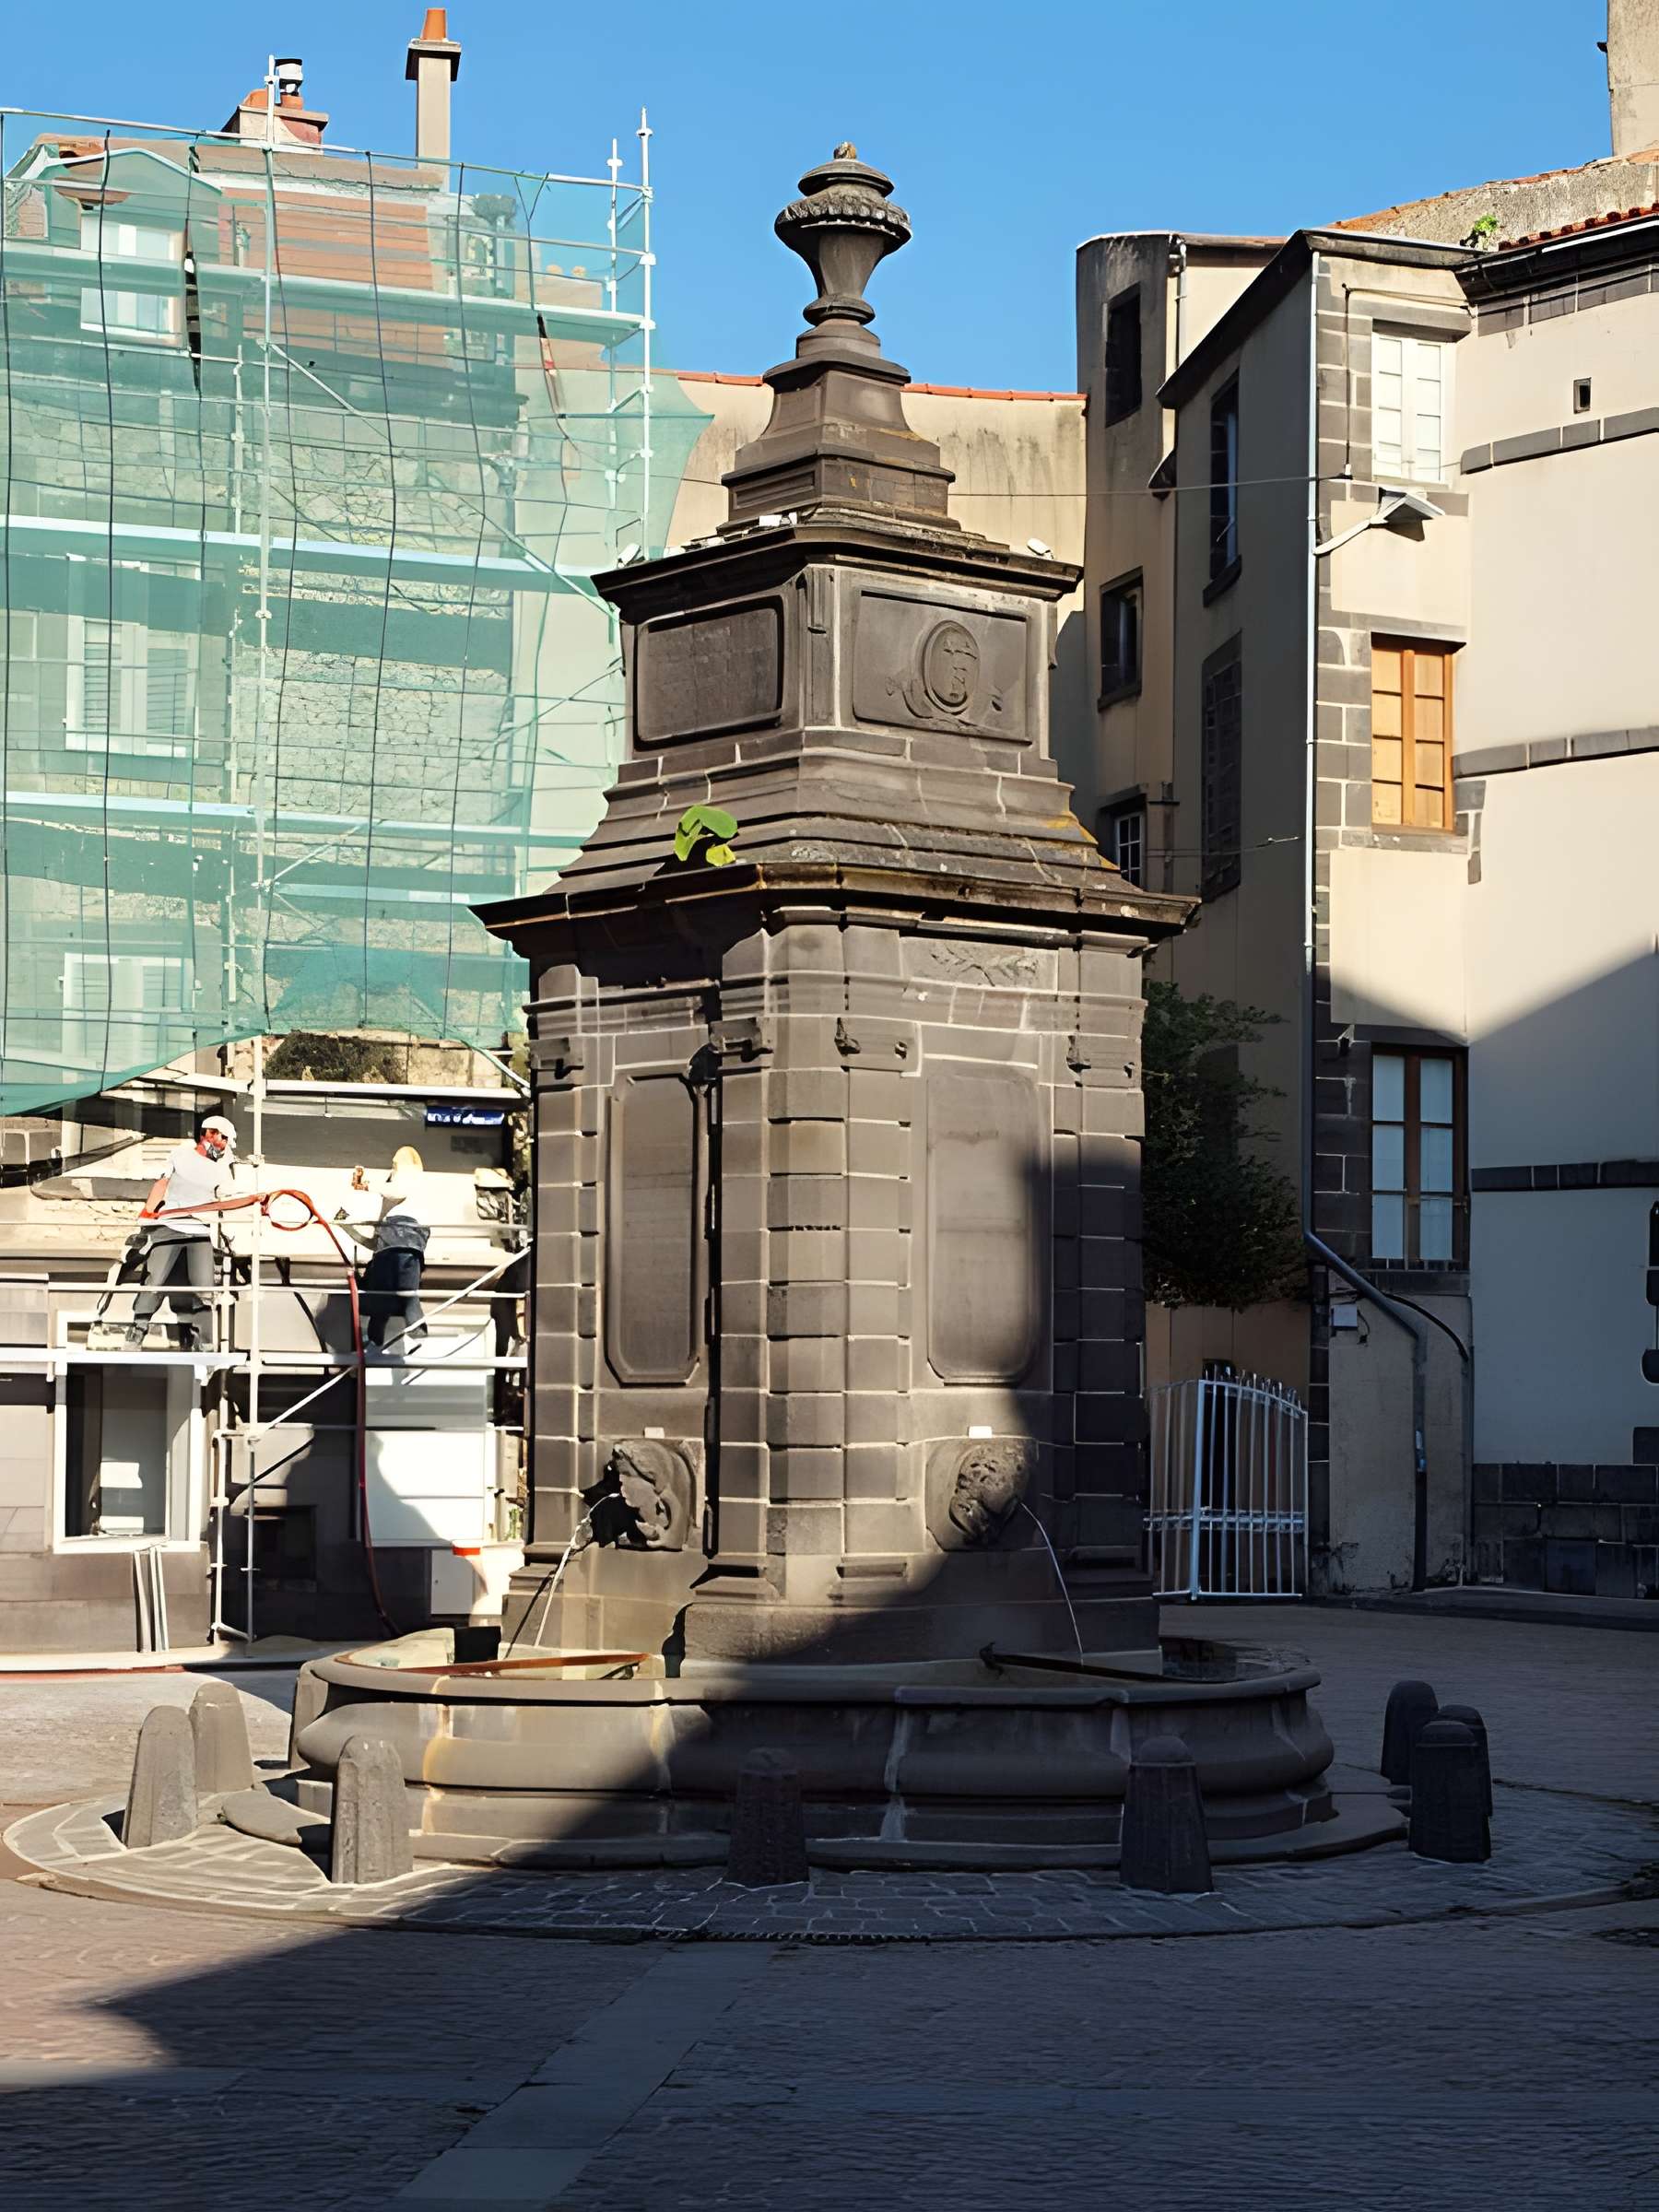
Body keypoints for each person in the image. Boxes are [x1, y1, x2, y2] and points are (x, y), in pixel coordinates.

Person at [126, 1115, 238, 1350]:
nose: (225, 1145)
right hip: (170, 1225)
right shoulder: (181, 1153)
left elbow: (226, 1198)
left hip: (199, 1230)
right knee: (154, 1280)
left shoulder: (223, 1166)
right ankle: (136, 1333)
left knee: (204, 1288)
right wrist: (147, 1215)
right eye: (223, 1139)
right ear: (209, 1134)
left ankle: (205, 1341)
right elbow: (161, 1184)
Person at [338, 1145, 430, 1351]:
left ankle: (377, 1340)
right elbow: (375, 1243)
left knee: (385, 1297)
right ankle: (415, 1335)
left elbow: (397, 1190)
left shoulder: (407, 1182)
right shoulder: (413, 1199)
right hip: (408, 1244)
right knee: (408, 1296)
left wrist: (367, 1186)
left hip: (396, 1239)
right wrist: (348, 1226)